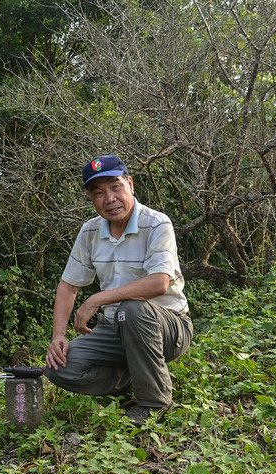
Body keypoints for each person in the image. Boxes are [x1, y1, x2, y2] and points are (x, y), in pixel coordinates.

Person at [45, 154, 193, 426]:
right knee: (59, 368)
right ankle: (129, 378)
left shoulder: (157, 224)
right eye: (98, 193)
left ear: (130, 184)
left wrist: (97, 299)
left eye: (115, 187)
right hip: (115, 329)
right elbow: (67, 285)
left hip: (168, 327)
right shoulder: (89, 231)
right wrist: (58, 336)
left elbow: (159, 282)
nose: (109, 198)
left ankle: (152, 402)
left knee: (132, 308)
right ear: (92, 199)